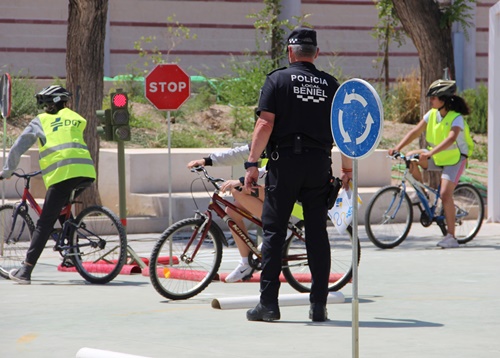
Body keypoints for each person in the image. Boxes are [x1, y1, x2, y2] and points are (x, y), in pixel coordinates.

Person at [244, 27, 352, 322]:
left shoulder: (277, 79)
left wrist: (252, 164)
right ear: (316, 53)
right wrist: (346, 170)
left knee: (275, 233)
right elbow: (345, 132)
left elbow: (265, 125)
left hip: (285, 163)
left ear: (290, 52)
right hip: (318, 165)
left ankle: (268, 305)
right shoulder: (332, 85)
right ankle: (319, 305)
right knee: (317, 234)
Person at [0, 85, 97, 284]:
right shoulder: (76, 118)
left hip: (63, 174)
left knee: (44, 223)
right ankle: (71, 255)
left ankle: (26, 270)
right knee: (64, 212)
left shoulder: (41, 121)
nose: (43, 108)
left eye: (45, 103)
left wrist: (7, 171)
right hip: (86, 172)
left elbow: (19, 146)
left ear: (52, 104)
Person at [388, 79, 474, 249]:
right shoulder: (432, 114)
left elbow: (451, 139)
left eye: (433, 97)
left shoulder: (456, 118)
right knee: (411, 157)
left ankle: (451, 237)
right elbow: (415, 131)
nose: (430, 100)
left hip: (456, 158)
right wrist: (397, 147)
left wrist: (429, 154)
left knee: (445, 194)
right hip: (440, 156)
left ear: (444, 99)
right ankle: (423, 195)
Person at [187, 144, 266, 283]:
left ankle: (277, 229)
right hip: (269, 188)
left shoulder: (280, 138)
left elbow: (277, 169)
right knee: (231, 213)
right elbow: (237, 153)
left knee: (239, 190)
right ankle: (246, 263)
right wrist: (207, 161)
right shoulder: (263, 139)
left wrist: (241, 180)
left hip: (286, 188)